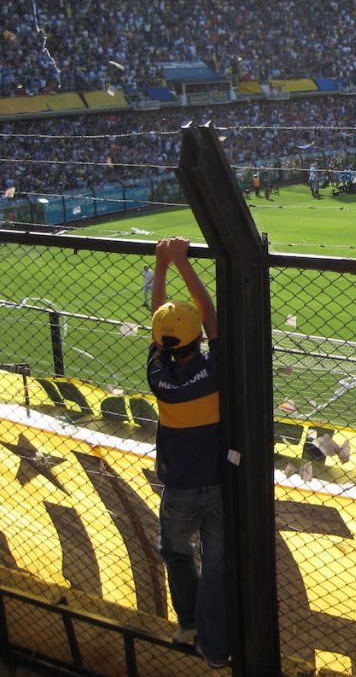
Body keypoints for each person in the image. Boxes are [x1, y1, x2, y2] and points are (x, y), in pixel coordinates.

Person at [147, 237, 228, 669]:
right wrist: (180, 263)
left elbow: (161, 321)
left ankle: (189, 623)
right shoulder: (214, 370)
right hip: (217, 483)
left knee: (176, 553)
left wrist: (161, 268)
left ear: (161, 343)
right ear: (199, 339)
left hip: (177, 488)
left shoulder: (157, 373)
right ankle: (215, 649)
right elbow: (212, 316)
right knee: (216, 566)